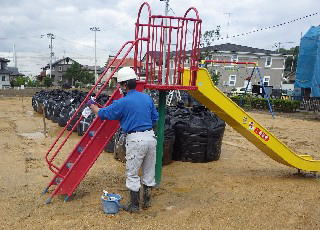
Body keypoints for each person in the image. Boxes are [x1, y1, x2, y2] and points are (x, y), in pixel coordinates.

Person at [87, 67, 159, 213]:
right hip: (151, 137)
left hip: (136, 140)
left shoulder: (123, 102)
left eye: (120, 84)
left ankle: (134, 205)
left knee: (132, 173)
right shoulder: (146, 98)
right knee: (148, 170)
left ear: (125, 85)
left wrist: (91, 104)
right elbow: (155, 119)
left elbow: (102, 113)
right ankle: (146, 201)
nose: (119, 87)